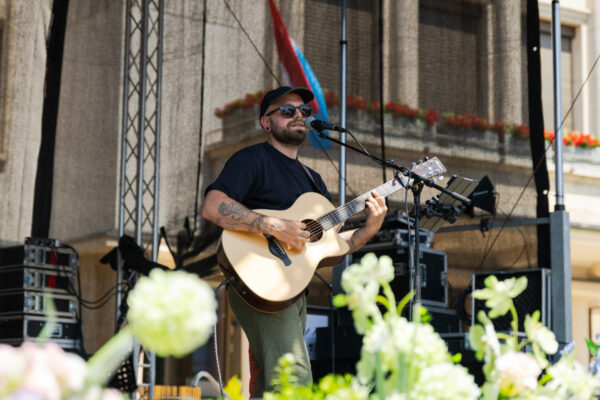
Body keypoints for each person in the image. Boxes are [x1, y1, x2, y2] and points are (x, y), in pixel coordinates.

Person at [201, 86, 387, 397]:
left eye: (304, 111)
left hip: (293, 289)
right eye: (288, 111)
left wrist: (369, 230)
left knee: (271, 382)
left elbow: (329, 245)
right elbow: (212, 206)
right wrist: (275, 226)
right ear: (266, 122)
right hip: (260, 279)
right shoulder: (252, 159)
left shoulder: (313, 180)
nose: (299, 115)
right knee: (295, 376)